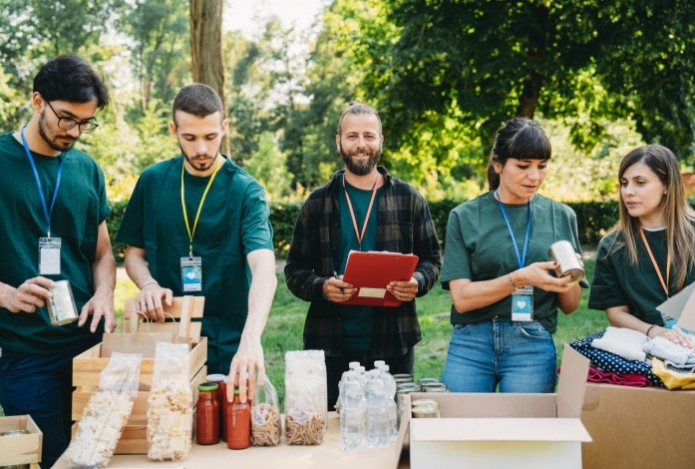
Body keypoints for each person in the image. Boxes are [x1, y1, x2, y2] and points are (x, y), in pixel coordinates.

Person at [116, 83, 277, 402]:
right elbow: (133, 255)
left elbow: (264, 267)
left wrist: (251, 338)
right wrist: (147, 284)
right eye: (189, 138)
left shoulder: (246, 190)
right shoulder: (152, 181)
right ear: (173, 130)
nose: (201, 148)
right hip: (166, 341)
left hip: (230, 343)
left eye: (210, 136)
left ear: (224, 128)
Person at [284, 101, 441, 409]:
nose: (361, 144)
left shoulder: (409, 199)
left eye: (369, 136)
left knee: (390, 432)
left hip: (393, 343)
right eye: (352, 136)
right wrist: (322, 287)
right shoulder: (316, 203)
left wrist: (418, 282)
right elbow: (294, 272)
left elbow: (432, 259)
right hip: (330, 345)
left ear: (381, 141)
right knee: (330, 433)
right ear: (339, 141)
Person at [0, 54, 115, 467]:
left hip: (89, 347)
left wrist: (104, 293)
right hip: (26, 352)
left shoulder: (87, 169)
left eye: (85, 123)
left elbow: (102, 252)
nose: (75, 131)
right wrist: (8, 294)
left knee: (100, 458)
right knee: (48, 461)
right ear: (37, 101)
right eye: (66, 118)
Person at [440, 117, 582, 393]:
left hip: (532, 343)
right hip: (472, 342)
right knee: (459, 431)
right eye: (523, 166)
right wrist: (520, 278)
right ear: (498, 164)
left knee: (523, 434)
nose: (534, 176)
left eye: (542, 166)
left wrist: (566, 279)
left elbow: (570, 305)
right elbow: (462, 299)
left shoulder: (561, 216)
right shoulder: (464, 216)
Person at [590, 144, 694, 348]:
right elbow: (616, 312)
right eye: (624, 183)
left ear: (666, 185)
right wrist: (654, 331)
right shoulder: (612, 246)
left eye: (640, 183)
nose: (628, 192)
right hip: (644, 346)